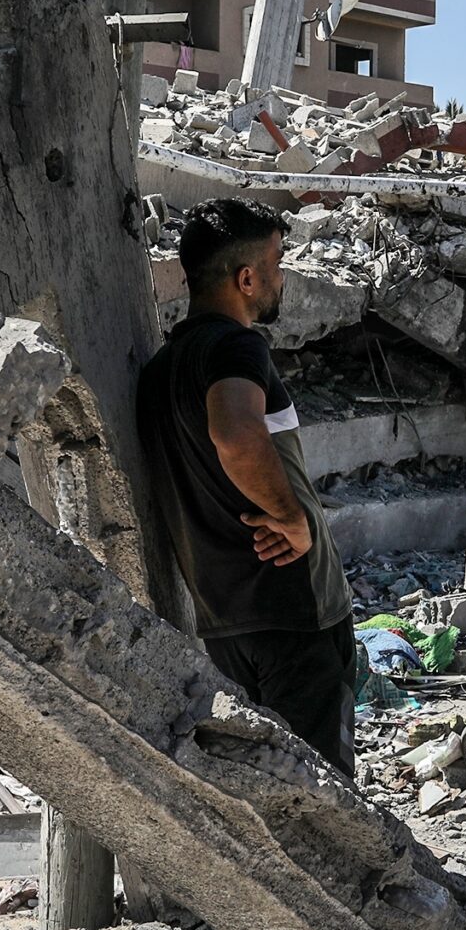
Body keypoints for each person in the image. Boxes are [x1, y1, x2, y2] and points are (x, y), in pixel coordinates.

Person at [137, 197, 356, 775]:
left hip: (226, 619)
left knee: (263, 784)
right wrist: (291, 518)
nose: (282, 277)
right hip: (294, 612)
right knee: (323, 791)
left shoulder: (162, 369)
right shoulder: (236, 345)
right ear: (247, 278)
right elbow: (235, 434)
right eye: (278, 262)